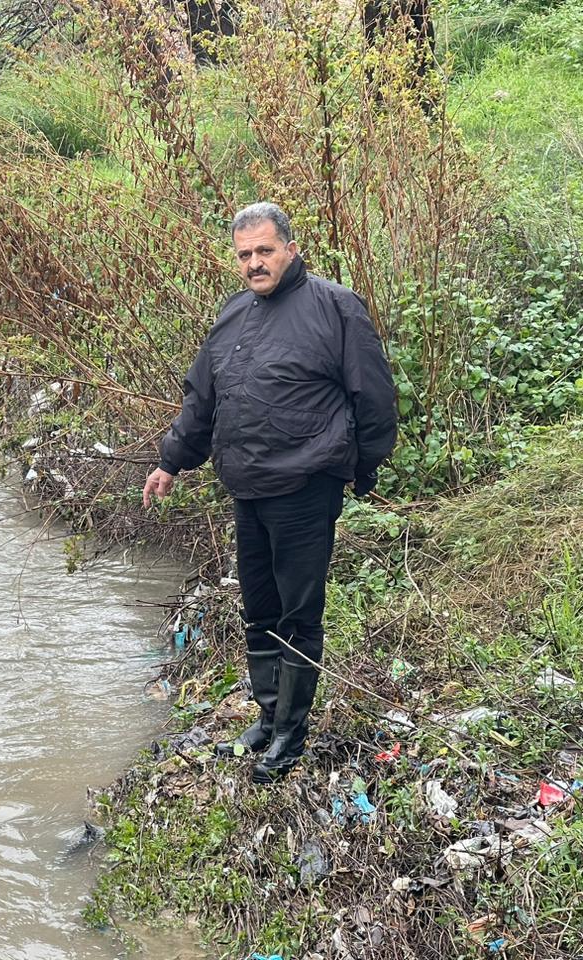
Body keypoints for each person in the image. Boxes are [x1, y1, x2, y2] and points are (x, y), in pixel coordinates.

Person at [142, 203, 397, 783]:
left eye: (264, 250)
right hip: (247, 486)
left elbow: (374, 397)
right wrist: (171, 462)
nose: (255, 263)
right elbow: (201, 400)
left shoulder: (335, 307)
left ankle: (290, 733)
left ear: (290, 248)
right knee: (258, 608)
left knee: (298, 612)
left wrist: (364, 468)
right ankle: (265, 716)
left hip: (307, 484)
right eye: (244, 255)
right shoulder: (232, 315)